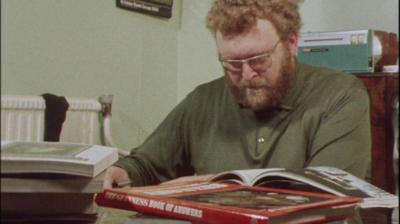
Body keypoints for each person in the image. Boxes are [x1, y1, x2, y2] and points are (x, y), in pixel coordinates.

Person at [103, 0, 371, 189]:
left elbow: (326, 199)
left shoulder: (340, 96)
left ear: (292, 43)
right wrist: (120, 172)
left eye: (259, 60)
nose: (245, 75)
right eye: (231, 64)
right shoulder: (202, 101)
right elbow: (147, 164)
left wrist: (209, 185)